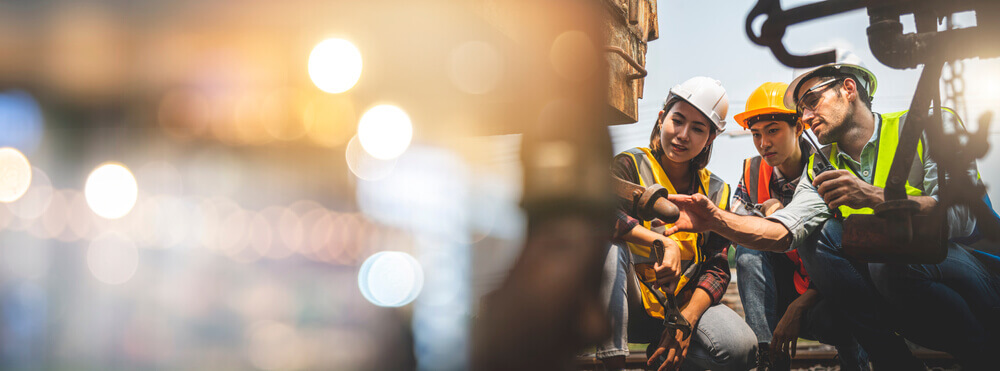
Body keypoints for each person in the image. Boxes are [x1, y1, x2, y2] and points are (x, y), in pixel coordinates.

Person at [662, 53, 1000, 369]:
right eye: (802, 109)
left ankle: (983, 355)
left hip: (971, 266)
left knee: (887, 260)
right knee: (820, 237)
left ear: (848, 89)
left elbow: (962, 219)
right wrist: (716, 220)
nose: (806, 117)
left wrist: (872, 196)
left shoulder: (929, 126)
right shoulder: (821, 168)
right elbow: (784, 231)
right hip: (897, 280)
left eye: (812, 101)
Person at [598, 76, 756, 371]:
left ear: (710, 138)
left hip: (679, 308)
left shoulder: (716, 191)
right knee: (608, 247)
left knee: (740, 349)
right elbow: (601, 217)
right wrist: (661, 241)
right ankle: (612, 362)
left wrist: (687, 321)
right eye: (678, 121)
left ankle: (664, 361)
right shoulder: (630, 166)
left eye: (697, 129)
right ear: (662, 119)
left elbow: (717, 266)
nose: (683, 135)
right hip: (629, 305)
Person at [730, 82, 868, 371]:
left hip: (827, 293)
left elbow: (850, 254)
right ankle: (768, 358)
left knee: (843, 315)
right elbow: (739, 227)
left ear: (798, 128)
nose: (763, 143)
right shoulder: (752, 174)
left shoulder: (829, 166)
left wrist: (800, 306)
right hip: (779, 291)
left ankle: (855, 363)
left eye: (772, 130)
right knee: (749, 248)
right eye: (756, 134)